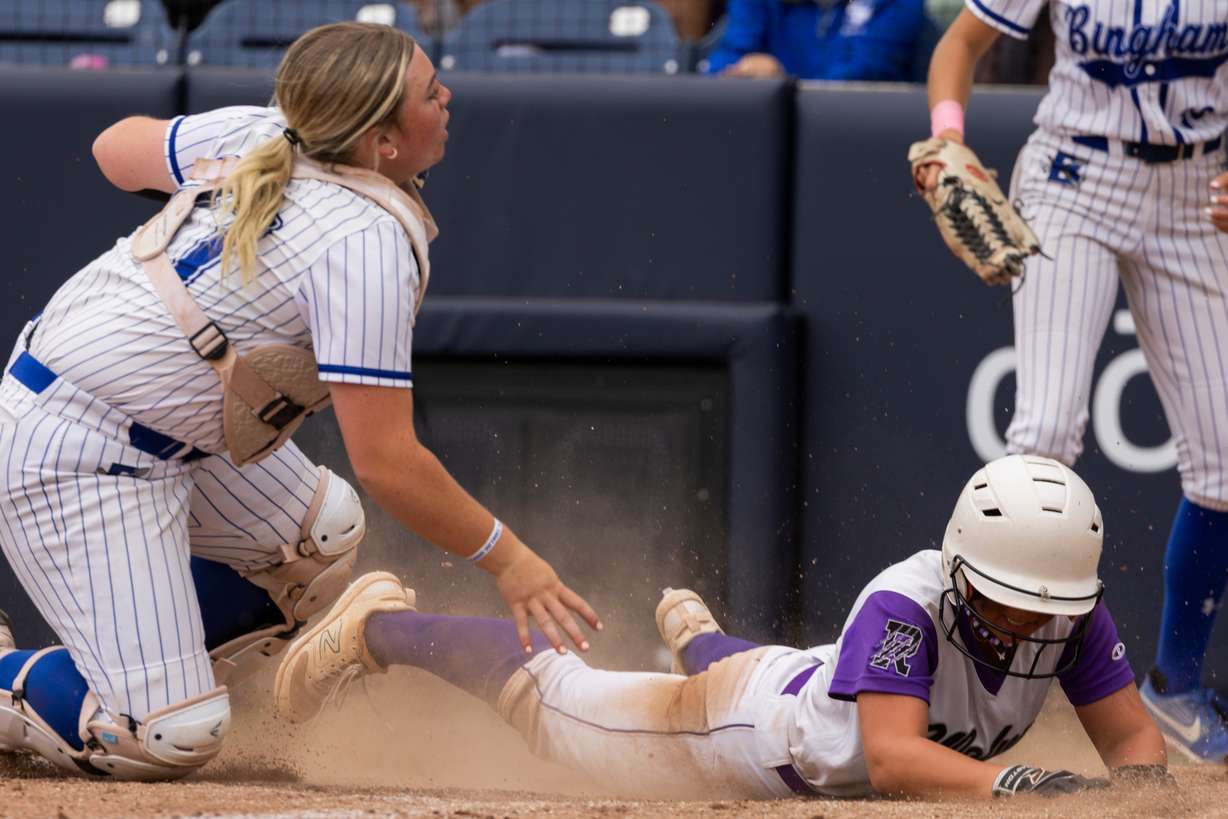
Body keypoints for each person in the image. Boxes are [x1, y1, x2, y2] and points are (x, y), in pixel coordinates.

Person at [0, 21, 597, 781]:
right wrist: (512, 561)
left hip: (153, 427)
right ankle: (52, 681)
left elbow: (113, 149)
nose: (446, 96)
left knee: (320, 535)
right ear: (380, 141)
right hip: (71, 449)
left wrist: (212, 153)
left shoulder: (268, 132)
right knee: (170, 735)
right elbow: (388, 462)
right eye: (427, 91)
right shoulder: (362, 239)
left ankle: (143, 659)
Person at [275, 455, 1171, 800]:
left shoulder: (1067, 605)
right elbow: (893, 760)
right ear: (967, 566)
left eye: (1049, 604)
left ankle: (698, 638)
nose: (1033, 619)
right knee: (557, 702)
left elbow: (1132, 736)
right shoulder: (907, 605)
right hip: (749, 736)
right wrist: (1027, 787)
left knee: (786, 668)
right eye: (1013, 597)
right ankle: (382, 627)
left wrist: (1131, 792)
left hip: (814, 684)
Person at [916, 2, 1228, 763]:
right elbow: (961, 43)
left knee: (1225, 462)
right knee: (1045, 436)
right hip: (1073, 176)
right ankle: (955, 672)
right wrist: (949, 133)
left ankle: (1175, 689)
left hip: (1197, 194)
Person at [706, 0, 928, 82]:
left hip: (856, 144)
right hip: (765, 144)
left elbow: (859, 77)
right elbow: (728, 56)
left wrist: (780, 85)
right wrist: (740, 73)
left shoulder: (895, 4)